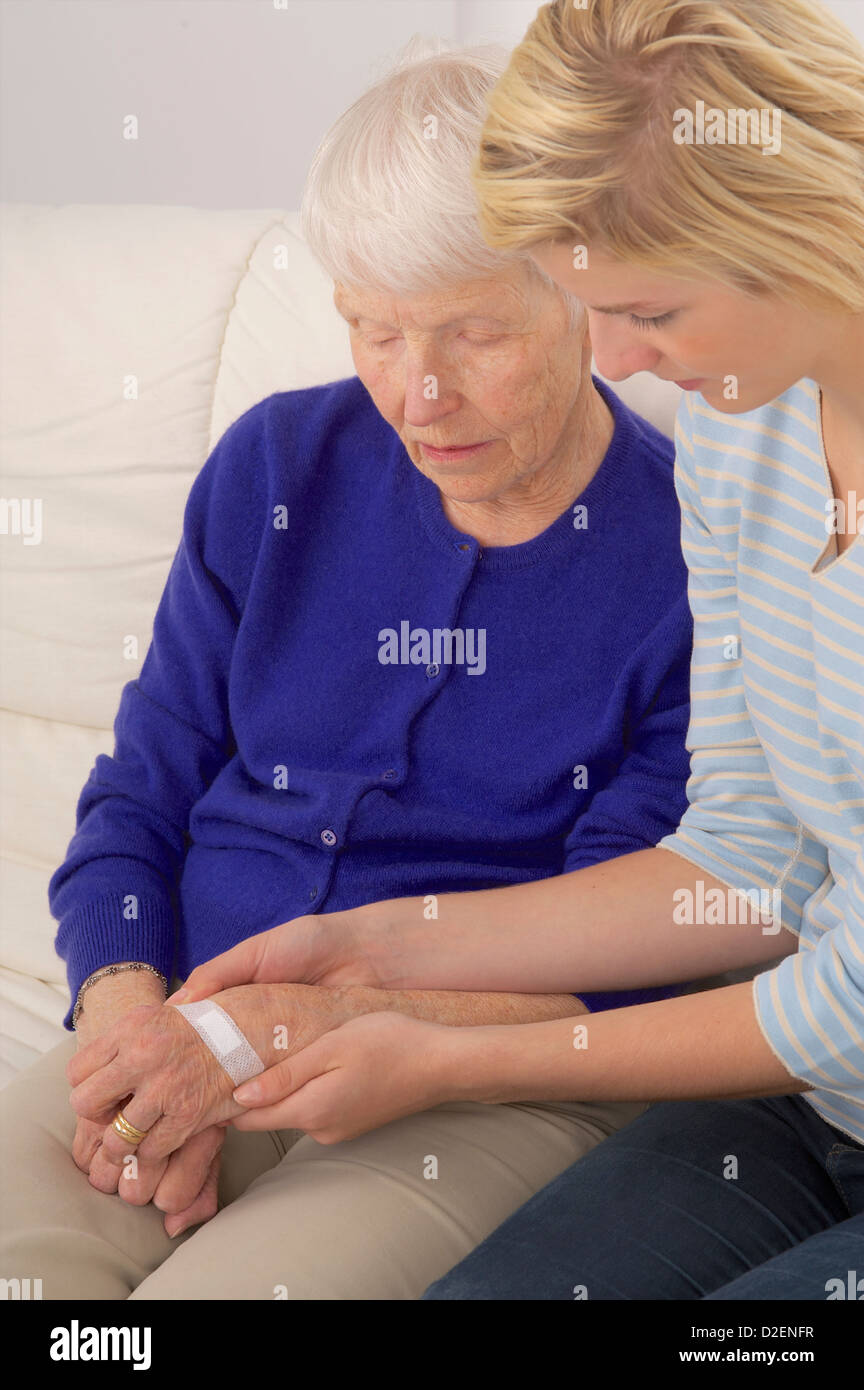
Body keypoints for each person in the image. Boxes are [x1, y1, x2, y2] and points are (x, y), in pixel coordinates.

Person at [159, 0, 864, 1301]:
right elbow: (748, 864)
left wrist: (441, 1051)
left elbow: (851, 998)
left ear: (796, 224)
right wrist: (373, 945)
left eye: (648, 308)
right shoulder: (739, 429)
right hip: (813, 1111)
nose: (613, 358)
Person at [0, 41, 695, 1300]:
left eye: (474, 334)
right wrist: (133, 1038)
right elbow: (138, 798)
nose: (418, 394)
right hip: (172, 1027)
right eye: (375, 331)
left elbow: (619, 966)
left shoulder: (690, 561)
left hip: (473, 1089)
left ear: (580, 294)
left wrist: (288, 1031)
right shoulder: (275, 468)